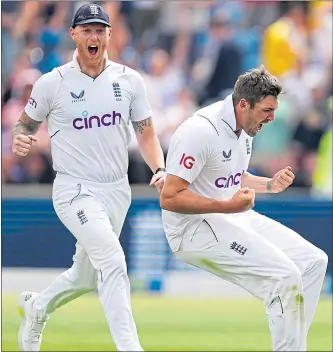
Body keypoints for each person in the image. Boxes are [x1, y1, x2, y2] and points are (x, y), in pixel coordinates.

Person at [12, 4, 165, 351]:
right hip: (74, 189)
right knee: (112, 261)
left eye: (100, 30)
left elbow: (146, 133)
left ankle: (38, 306)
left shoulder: (129, 80)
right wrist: (20, 136)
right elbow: (25, 123)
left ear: (110, 34)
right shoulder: (53, 82)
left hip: (116, 190)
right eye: (87, 30)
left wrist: (160, 168)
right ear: (74, 34)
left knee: (85, 276)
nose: (94, 37)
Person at [160, 66, 328, 351]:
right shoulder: (201, 131)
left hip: (229, 215)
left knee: (313, 262)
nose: (272, 118)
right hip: (191, 229)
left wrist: (270, 185)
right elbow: (169, 197)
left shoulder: (245, 127)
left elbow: (231, 175)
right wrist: (227, 206)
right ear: (243, 104)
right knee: (284, 277)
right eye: (267, 110)